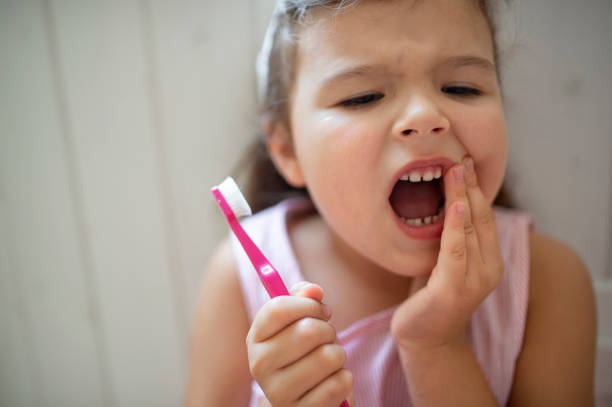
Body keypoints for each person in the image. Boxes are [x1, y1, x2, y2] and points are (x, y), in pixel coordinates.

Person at [185, 0, 597, 406]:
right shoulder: (240, 282)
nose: (423, 114)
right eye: (362, 97)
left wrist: (435, 345)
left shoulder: (547, 281)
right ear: (287, 149)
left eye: (461, 88)